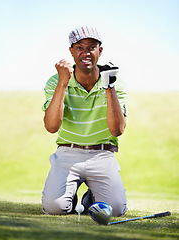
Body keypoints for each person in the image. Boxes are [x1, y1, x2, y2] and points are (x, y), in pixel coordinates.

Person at [41, 26, 127, 217]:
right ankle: (69, 198)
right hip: (67, 154)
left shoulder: (115, 82)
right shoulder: (54, 81)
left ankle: (91, 198)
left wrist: (109, 86)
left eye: (91, 47)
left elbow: (117, 130)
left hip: (102, 154)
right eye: (80, 47)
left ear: (100, 51)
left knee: (115, 210)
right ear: (71, 51)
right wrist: (63, 83)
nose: (86, 53)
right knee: (54, 208)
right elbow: (51, 126)